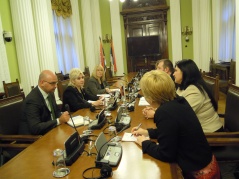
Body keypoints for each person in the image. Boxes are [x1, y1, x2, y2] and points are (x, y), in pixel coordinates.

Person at [131, 70, 220, 178]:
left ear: (150, 97)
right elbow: (171, 131)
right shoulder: (178, 100)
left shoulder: (164, 112)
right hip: (207, 162)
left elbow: (166, 154)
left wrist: (145, 143)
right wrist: (147, 132)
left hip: (199, 173)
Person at [143, 59, 223, 133]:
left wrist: (155, 114)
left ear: (185, 72)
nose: (173, 74)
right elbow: (174, 107)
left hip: (211, 135)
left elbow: (180, 116)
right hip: (193, 130)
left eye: (176, 71)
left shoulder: (195, 91)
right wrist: (157, 109)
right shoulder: (183, 87)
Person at [19, 70, 70, 135]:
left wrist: (63, 116)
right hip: (33, 139)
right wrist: (58, 121)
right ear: (42, 82)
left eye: (56, 83)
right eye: (52, 83)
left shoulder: (50, 93)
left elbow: (56, 112)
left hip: (50, 131)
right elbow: (35, 128)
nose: (55, 86)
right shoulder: (32, 100)